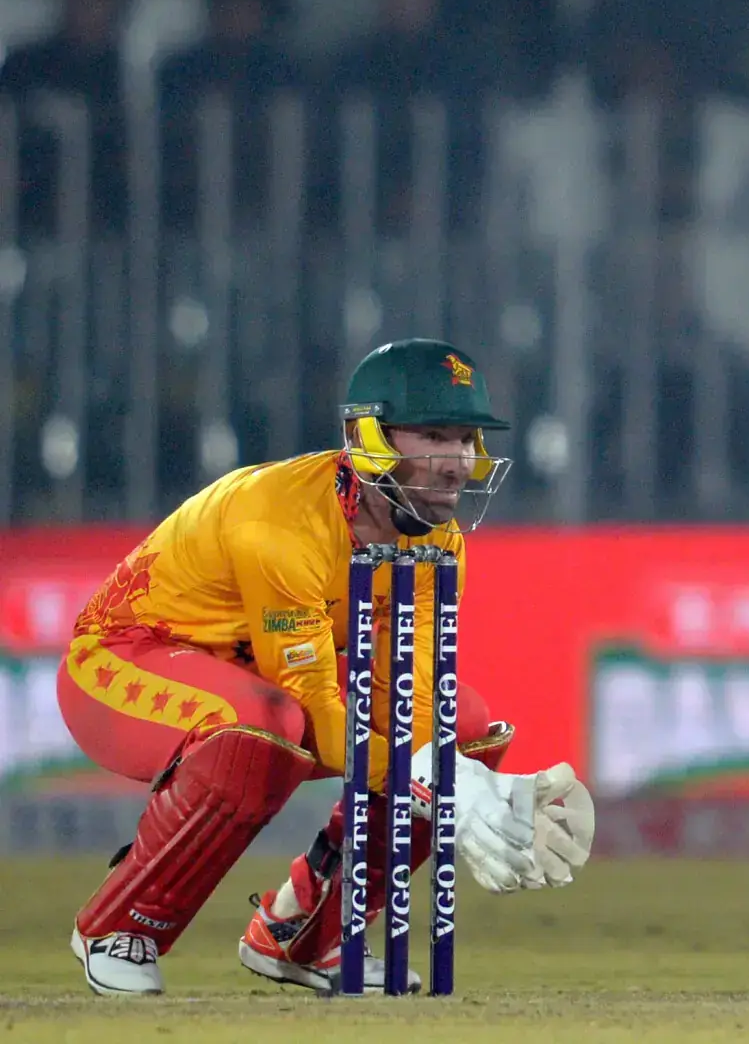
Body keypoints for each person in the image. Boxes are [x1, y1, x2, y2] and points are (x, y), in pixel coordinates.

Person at [59, 338, 596, 996]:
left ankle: (305, 937)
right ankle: (120, 925)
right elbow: (318, 719)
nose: (457, 463)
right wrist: (445, 791)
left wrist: (470, 780)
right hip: (120, 662)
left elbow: (416, 707)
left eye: (465, 439)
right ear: (364, 434)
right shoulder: (281, 523)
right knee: (261, 727)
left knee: (466, 727)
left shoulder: (437, 542)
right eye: (432, 435)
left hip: (256, 678)